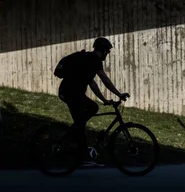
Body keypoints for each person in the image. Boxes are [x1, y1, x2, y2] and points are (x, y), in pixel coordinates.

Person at [54, 37, 130, 166]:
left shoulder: (86, 59)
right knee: (82, 122)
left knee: (91, 111)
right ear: (103, 50)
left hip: (70, 92)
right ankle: (72, 145)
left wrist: (104, 100)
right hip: (71, 93)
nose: (108, 54)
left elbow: (92, 84)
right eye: (108, 51)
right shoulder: (94, 60)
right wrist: (119, 94)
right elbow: (105, 80)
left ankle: (78, 141)